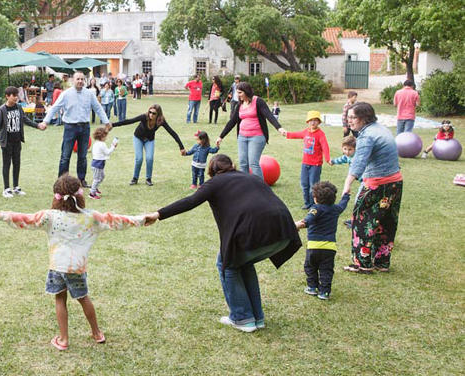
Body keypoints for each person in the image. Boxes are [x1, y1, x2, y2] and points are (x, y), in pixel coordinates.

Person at [0, 174, 149, 350]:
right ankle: (96, 333)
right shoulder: (91, 217)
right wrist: (141, 219)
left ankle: (64, 339)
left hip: (57, 267)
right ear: (80, 195)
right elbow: (116, 220)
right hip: (77, 268)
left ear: (56, 196)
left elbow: (24, 218)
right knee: (83, 298)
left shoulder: (49, 216)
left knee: (60, 299)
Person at [145, 154, 301, 333]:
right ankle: (257, 317)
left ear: (211, 171)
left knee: (226, 263)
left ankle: (242, 318)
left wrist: (158, 214)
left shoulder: (215, 182)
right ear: (232, 165)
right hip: (283, 230)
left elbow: (190, 201)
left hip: (255, 231)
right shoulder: (250, 177)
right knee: (242, 262)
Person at [342, 102, 402, 274]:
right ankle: (382, 262)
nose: (349, 120)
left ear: (364, 118)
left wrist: (347, 184)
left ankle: (362, 263)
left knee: (362, 221)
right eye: (349, 117)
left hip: (377, 184)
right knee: (386, 222)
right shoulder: (380, 129)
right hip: (395, 182)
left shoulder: (367, 136)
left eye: (353, 117)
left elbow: (359, 162)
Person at [40, 71, 110, 187]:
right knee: (65, 156)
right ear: (73, 80)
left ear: (85, 81)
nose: (80, 81)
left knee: (82, 156)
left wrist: (106, 122)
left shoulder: (89, 94)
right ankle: (61, 181)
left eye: (82, 79)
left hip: (84, 127)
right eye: (78, 79)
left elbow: (98, 108)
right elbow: (55, 107)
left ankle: (81, 180)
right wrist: (45, 121)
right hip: (70, 127)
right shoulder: (66, 94)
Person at [215, 82, 285, 179]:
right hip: (242, 137)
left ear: (246, 91)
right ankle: (247, 187)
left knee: (253, 163)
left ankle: (260, 189)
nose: (237, 95)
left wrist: (279, 127)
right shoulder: (240, 105)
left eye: (240, 93)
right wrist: (221, 136)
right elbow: (232, 122)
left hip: (257, 137)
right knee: (243, 163)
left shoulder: (258, 102)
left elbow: (269, 115)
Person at [294, 181, 350, 300]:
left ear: (315, 198)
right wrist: (346, 195)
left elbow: (308, 220)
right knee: (326, 270)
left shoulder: (316, 208)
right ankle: (324, 292)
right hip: (329, 248)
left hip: (314, 247)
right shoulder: (335, 209)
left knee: (310, 267)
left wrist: (297, 225)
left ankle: (312, 287)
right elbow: (343, 204)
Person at [0, 86, 45, 198]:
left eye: (17, 95)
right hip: (6, 142)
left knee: (17, 164)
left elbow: (25, 119)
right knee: (7, 164)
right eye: (13, 95)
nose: (16, 98)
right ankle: (6, 189)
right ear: (7, 96)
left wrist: (37, 125)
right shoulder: (2, 110)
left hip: (17, 141)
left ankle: (16, 187)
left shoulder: (19, 107)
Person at [112, 104, 185, 186]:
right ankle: (135, 178)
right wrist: (113, 125)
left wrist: (181, 147)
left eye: (154, 113)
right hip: (138, 138)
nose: (151, 114)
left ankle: (148, 179)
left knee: (149, 158)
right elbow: (129, 121)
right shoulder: (144, 117)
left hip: (149, 140)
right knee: (139, 158)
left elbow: (172, 132)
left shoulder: (161, 121)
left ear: (158, 114)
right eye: (150, 112)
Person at [285, 110, 331, 210]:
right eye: (311, 120)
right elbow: (296, 134)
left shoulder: (320, 134)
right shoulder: (306, 132)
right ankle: (307, 203)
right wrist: (287, 134)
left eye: (315, 120)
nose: (313, 122)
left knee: (313, 186)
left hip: (315, 164)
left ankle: (313, 204)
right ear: (307, 122)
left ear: (319, 122)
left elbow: (325, 147)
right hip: (305, 163)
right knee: (304, 184)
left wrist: (328, 159)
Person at [329, 135, 359, 229]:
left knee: (359, 199)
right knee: (359, 200)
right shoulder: (348, 156)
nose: (347, 152)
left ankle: (355, 221)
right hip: (359, 180)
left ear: (355, 149)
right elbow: (342, 159)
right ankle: (354, 220)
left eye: (350, 149)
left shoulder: (358, 157)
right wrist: (333, 161)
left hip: (366, 181)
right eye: (345, 149)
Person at [89, 126, 118, 199]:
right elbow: (107, 152)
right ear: (102, 136)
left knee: (101, 177)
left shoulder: (96, 143)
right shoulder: (102, 144)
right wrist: (113, 146)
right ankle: (92, 193)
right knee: (97, 179)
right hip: (97, 164)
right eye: (105, 136)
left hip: (97, 163)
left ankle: (95, 188)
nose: (106, 138)